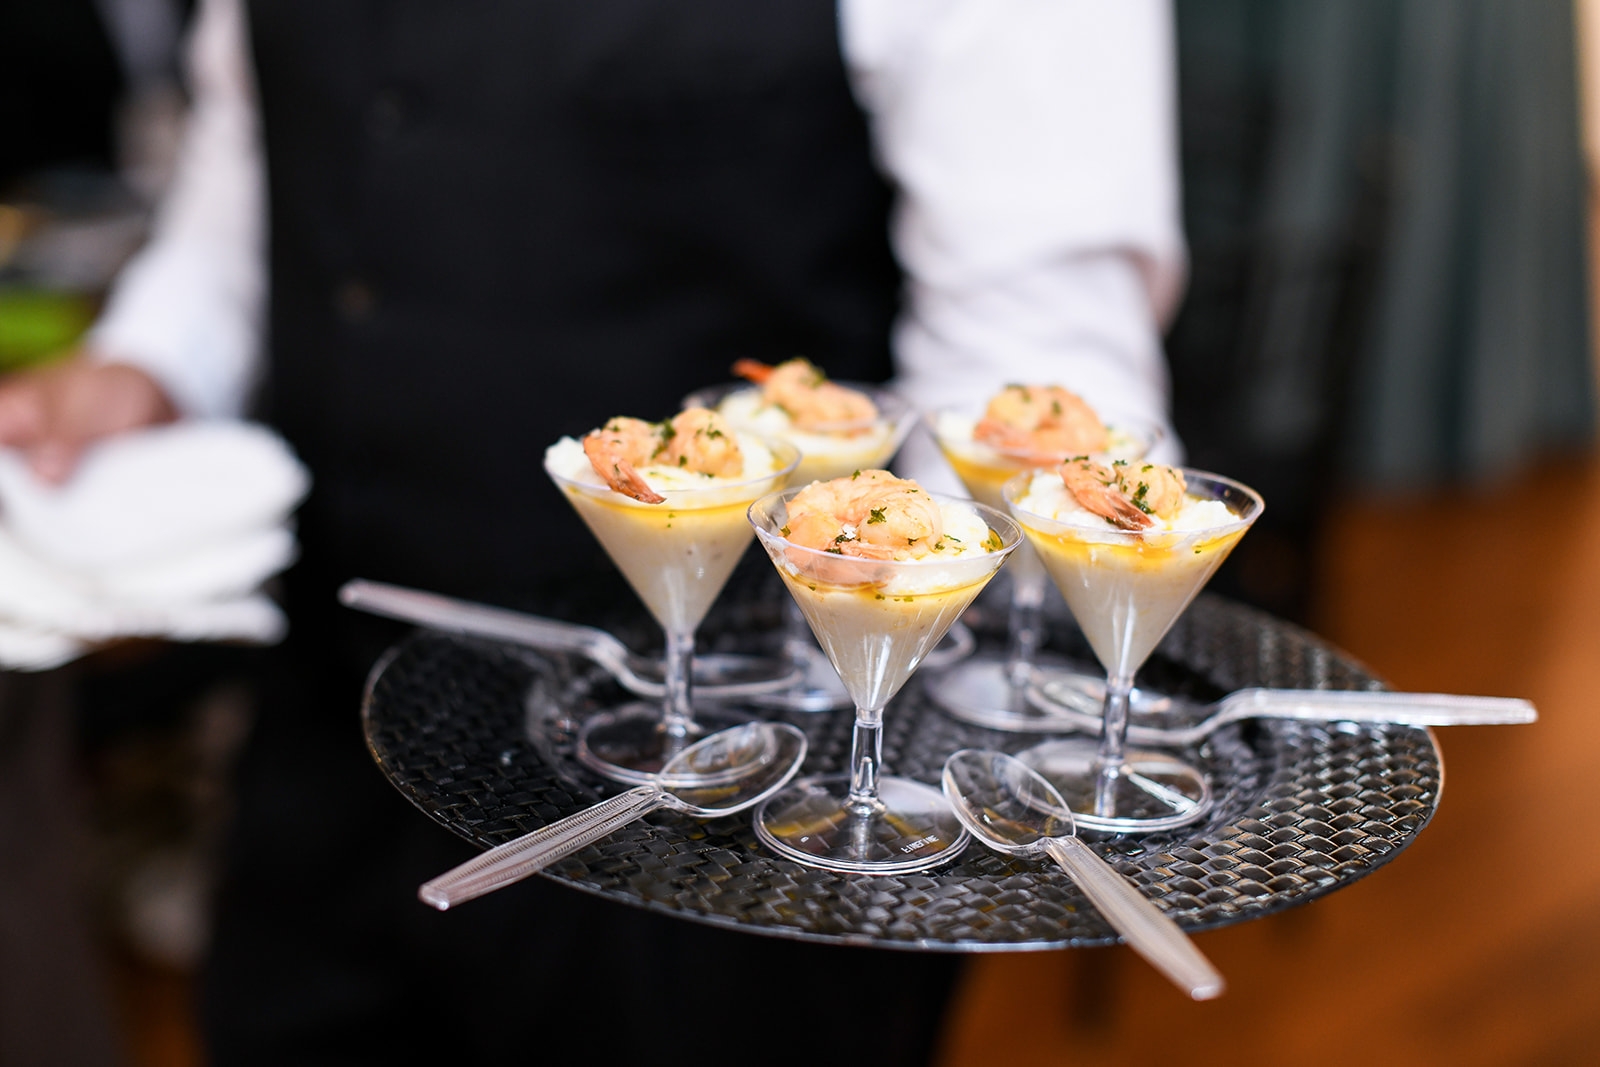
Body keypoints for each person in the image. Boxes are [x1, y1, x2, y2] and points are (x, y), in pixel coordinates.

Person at [0, 1, 1185, 1062]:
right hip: (334, 730)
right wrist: (150, 361)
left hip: (731, 806)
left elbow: (1030, 358)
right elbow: (252, 155)